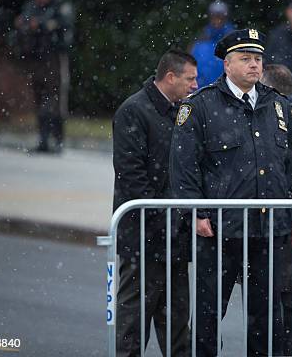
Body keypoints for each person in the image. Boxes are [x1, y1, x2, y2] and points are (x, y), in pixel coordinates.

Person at [170, 29, 292, 356]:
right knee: (207, 316)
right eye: (245, 59)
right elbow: (184, 166)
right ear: (227, 64)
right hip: (220, 231)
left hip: (267, 230)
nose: (254, 66)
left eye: (258, 59)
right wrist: (196, 213)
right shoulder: (201, 106)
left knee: (267, 319)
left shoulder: (277, 106)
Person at [112, 49, 198, 357]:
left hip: (173, 235)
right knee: (134, 317)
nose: (195, 85)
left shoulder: (182, 110)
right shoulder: (134, 110)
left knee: (176, 318)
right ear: (171, 77)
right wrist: (163, 216)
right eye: (190, 79)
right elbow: (131, 174)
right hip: (142, 234)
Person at [261, 64, 292, 356]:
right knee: (287, 307)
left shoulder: (280, 124)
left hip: (278, 231)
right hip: (291, 232)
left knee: (276, 308)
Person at [13, 0, 74, 153]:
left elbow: (64, 25)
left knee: (56, 98)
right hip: (37, 57)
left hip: (56, 57)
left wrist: (40, 24)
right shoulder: (32, 5)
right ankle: (43, 139)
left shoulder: (60, 4)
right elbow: (23, 22)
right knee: (39, 97)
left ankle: (58, 139)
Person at [190, 0, 235, 88]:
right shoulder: (200, 42)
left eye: (220, 16)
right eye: (215, 16)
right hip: (202, 91)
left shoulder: (234, 41)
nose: (217, 20)